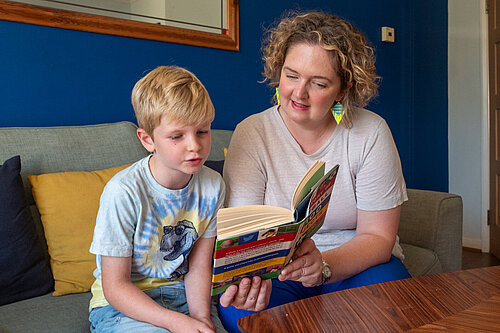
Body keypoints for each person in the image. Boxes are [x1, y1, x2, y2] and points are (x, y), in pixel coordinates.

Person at [218, 11, 411, 332]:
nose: (298, 93)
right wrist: (250, 281)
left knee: (391, 312)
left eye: (318, 83)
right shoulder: (252, 132)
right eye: (291, 75)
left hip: (356, 264)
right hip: (277, 273)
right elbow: (243, 238)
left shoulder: (370, 132)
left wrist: (324, 265)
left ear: (342, 89)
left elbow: (378, 237)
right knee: (250, 319)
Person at [88, 66, 225, 333]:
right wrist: (176, 323)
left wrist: (201, 319)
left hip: (185, 297)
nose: (194, 146)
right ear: (148, 140)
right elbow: (115, 286)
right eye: (177, 136)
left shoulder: (213, 186)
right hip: (121, 306)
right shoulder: (123, 192)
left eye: (202, 132)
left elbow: (198, 266)